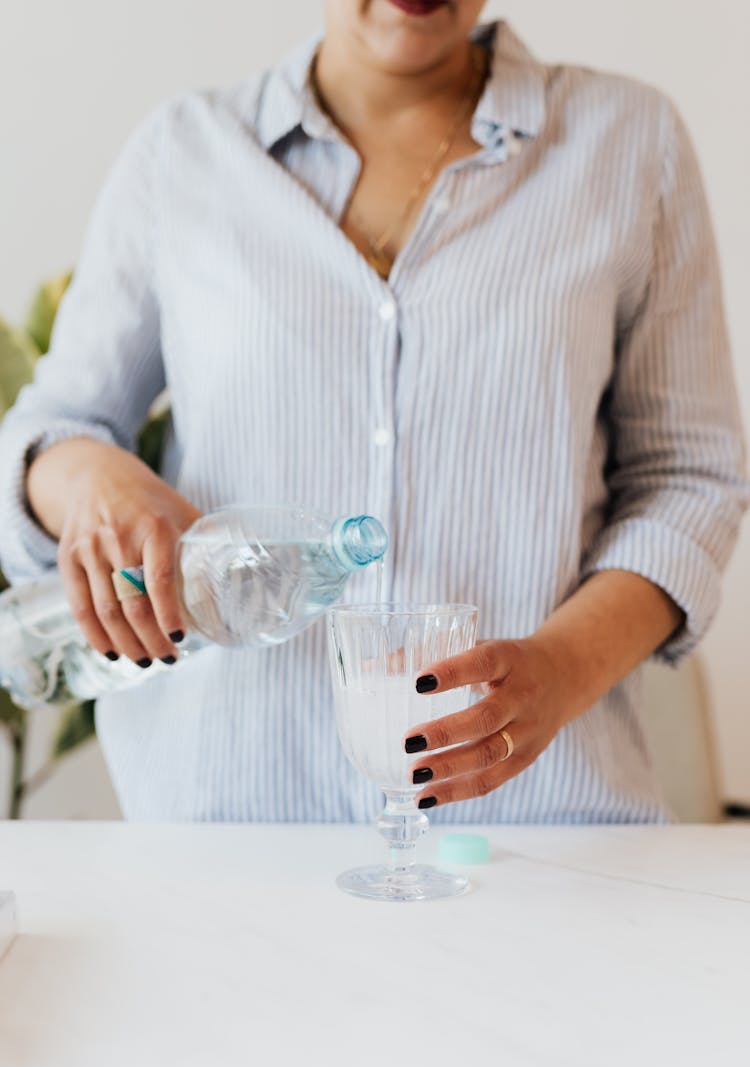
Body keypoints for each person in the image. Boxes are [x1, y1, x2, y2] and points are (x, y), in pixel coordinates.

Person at [0, 1, 747, 823]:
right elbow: (56, 427)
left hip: (538, 834)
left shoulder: (632, 145)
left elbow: (691, 478)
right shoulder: (181, 153)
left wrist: (561, 668)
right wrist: (95, 487)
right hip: (225, 826)